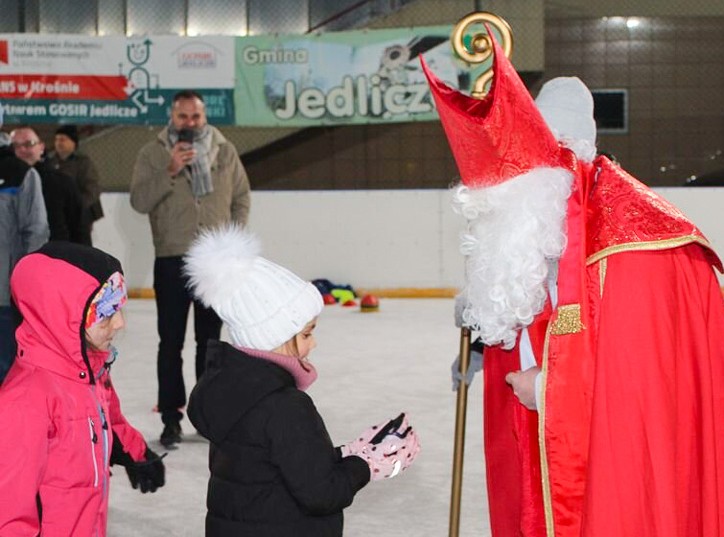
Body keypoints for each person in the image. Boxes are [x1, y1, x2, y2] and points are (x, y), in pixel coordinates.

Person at [423, 34, 724, 536]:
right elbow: (535, 296)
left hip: (612, 468)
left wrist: (546, 388)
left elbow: (643, 385)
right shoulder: (550, 215)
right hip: (541, 443)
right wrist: (485, 335)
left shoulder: (634, 241)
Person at [186, 225, 419, 536]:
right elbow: (323, 494)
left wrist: (349, 452)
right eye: (307, 333)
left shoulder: (231, 391)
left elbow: (277, 466)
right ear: (274, 335)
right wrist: (367, 465)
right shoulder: (284, 406)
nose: (313, 344)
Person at [0, 242, 165, 536]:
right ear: (63, 317)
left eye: (120, 308)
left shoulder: (89, 370)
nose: (120, 323)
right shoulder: (25, 402)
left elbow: (108, 420)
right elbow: (8, 516)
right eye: (106, 314)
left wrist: (136, 453)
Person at [130, 90, 251, 448]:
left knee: (210, 344)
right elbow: (139, 200)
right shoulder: (152, 153)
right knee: (170, 343)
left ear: (204, 116)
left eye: (195, 117)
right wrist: (169, 170)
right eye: (183, 117)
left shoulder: (224, 150)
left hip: (213, 260)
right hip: (171, 258)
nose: (190, 124)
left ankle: (208, 415)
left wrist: (233, 239)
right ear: (172, 117)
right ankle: (171, 417)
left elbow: (241, 197)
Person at [0, 109, 49, 383]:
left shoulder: (18, 174)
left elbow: (36, 232)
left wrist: (25, 288)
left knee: (6, 375)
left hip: (3, 301)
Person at [11, 125, 87, 243]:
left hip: (53, 254)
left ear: (41, 147)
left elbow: (79, 229)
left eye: (29, 144)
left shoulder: (62, 183)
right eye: (15, 146)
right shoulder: (4, 183)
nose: (22, 150)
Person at [50, 124, 104, 246]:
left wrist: (76, 206)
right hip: (58, 218)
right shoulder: (51, 163)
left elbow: (92, 189)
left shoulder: (83, 163)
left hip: (80, 218)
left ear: (73, 142)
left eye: (63, 139)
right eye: (57, 139)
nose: (59, 143)